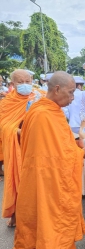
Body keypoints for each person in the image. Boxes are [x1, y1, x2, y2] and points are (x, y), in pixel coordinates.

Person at [12, 71, 85, 249]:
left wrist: (78, 145)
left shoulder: (53, 110)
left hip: (57, 177)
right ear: (57, 89)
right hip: (46, 180)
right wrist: (81, 153)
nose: (73, 97)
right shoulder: (42, 114)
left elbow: (60, 144)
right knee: (49, 219)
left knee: (64, 215)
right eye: (71, 92)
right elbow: (48, 156)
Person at [0, 69, 45, 226]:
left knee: (37, 181)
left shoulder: (40, 97)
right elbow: (3, 126)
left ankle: (37, 214)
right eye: (21, 82)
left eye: (28, 81)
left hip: (37, 145)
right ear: (12, 84)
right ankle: (16, 214)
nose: (25, 85)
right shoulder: (7, 103)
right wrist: (18, 131)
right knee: (18, 180)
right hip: (17, 147)